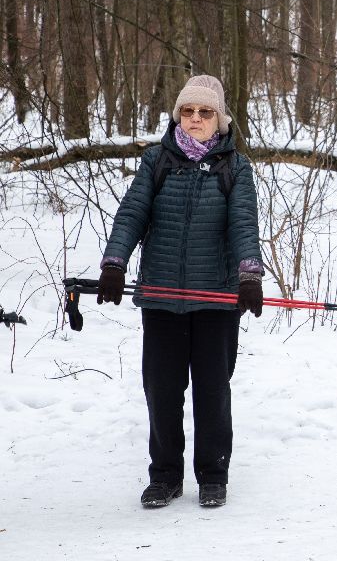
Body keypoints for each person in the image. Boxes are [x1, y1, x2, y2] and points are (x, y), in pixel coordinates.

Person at [96, 74, 264, 509]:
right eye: (187, 111)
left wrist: (250, 275)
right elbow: (132, 213)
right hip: (162, 297)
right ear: (178, 115)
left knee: (212, 389)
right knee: (162, 389)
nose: (194, 119)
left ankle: (213, 476)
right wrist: (114, 263)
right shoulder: (158, 160)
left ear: (220, 120)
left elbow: (243, 223)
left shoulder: (235, 167)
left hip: (217, 299)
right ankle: (165, 476)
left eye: (205, 112)